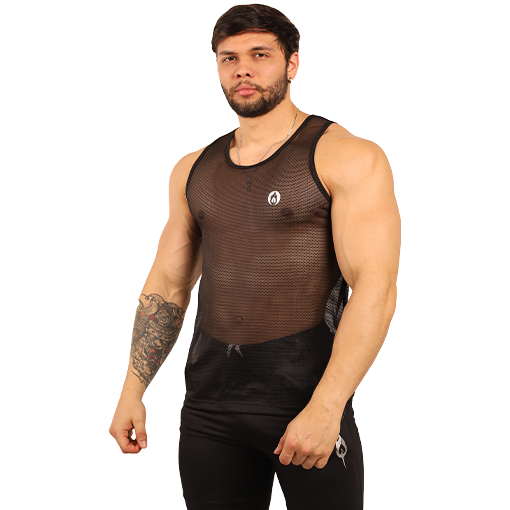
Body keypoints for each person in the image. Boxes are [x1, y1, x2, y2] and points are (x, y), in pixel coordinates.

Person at [109, 3, 401, 509]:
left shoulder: (347, 156)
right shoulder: (192, 169)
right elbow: (168, 286)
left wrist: (328, 406)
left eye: (260, 54)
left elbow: (375, 288)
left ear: (292, 64)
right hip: (209, 411)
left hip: (306, 404)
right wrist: (132, 389)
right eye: (229, 58)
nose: (242, 69)